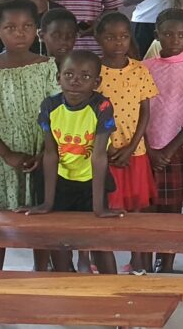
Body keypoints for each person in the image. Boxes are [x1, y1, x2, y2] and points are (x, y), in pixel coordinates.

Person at [0, 0, 59, 270]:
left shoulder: (47, 64)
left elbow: (56, 110)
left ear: (36, 29)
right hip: (4, 157)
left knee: (41, 221)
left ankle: (40, 270)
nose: (20, 32)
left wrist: (45, 151)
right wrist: (6, 153)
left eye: (27, 26)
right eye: (10, 27)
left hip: (40, 150)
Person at [29, 50, 122, 272]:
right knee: (60, 243)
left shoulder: (102, 107)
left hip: (91, 182)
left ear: (97, 82)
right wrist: (47, 203)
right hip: (61, 181)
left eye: (85, 76)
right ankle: (66, 291)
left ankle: (114, 294)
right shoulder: (49, 106)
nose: (75, 81)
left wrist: (98, 207)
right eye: (68, 74)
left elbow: (99, 156)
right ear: (58, 77)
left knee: (100, 244)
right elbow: (50, 154)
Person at [144, 8, 183, 272]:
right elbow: (138, 113)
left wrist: (170, 150)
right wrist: (148, 148)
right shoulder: (144, 67)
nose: (174, 39)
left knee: (170, 211)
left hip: (177, 150)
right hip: (145, 150)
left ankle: (166, 262)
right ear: (157, 34)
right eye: (168, 33)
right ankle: (143, 260)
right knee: (147, 211)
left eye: (181, 35)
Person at [94, 13, 159, 272]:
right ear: (98, 38)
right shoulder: (93, 71)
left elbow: (146, 111)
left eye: (123, 36)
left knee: (138, 209)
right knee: (106, 208)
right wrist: (107, 148)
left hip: (136, 151)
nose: (118, 42)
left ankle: (139, 263)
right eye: (110, 37)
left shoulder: (140, 69)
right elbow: (89, 113)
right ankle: (104, 263)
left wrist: (132, 146)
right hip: (104, 153)